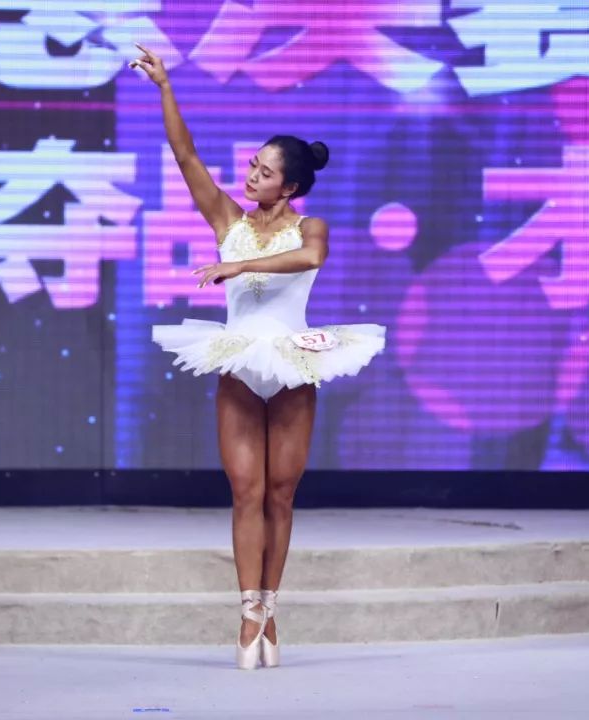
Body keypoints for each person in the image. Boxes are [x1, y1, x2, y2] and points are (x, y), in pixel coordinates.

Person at [131, 44, 386, 670]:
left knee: (280, 494)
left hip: (293, 364)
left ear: (290, 186)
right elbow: (186, 157)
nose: (251, 177)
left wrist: (240, 265)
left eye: (265, 172)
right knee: (246, 493)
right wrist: (165, 88)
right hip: (241, 364)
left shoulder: (311, 227)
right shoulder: (227, 219)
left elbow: (310, 259)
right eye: (251, 165)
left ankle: (273, 606)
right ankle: (249, 614)